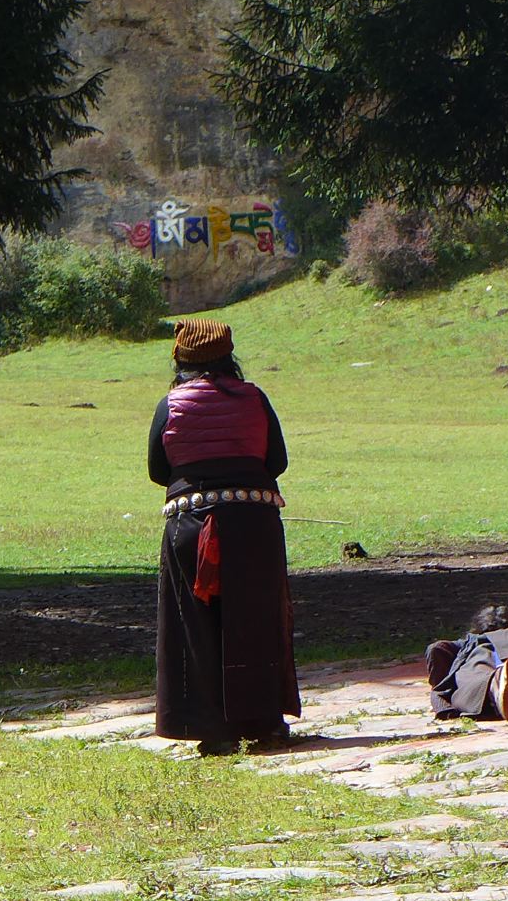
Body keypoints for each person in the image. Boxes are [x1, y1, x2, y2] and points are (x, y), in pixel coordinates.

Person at [147, 319, 300, 755]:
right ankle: (264, 721)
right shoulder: (255, 399)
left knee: (196, 626)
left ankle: (210, 726)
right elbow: (278, 460)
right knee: (256, 621)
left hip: (190, 526)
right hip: (254, 523)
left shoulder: (170, 404)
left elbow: (159, 470)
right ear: (228, 355)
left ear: (180, 358)